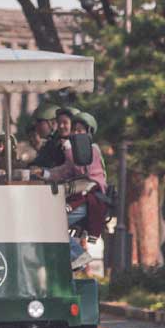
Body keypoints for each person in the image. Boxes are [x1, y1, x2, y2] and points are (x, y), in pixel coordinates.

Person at [44, 110, 108, 269]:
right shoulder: (76, 150)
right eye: (75, 130)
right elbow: (65, 170)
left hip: (88, 200)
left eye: (80, 131)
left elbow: (82, 169)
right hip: (78, 199)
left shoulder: (90, 149)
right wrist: (44, 173)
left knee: (54, 223)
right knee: (51, 223)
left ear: (89, 133)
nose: (76, 133)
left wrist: (67, 147)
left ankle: (78, 255)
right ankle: (73, 260)